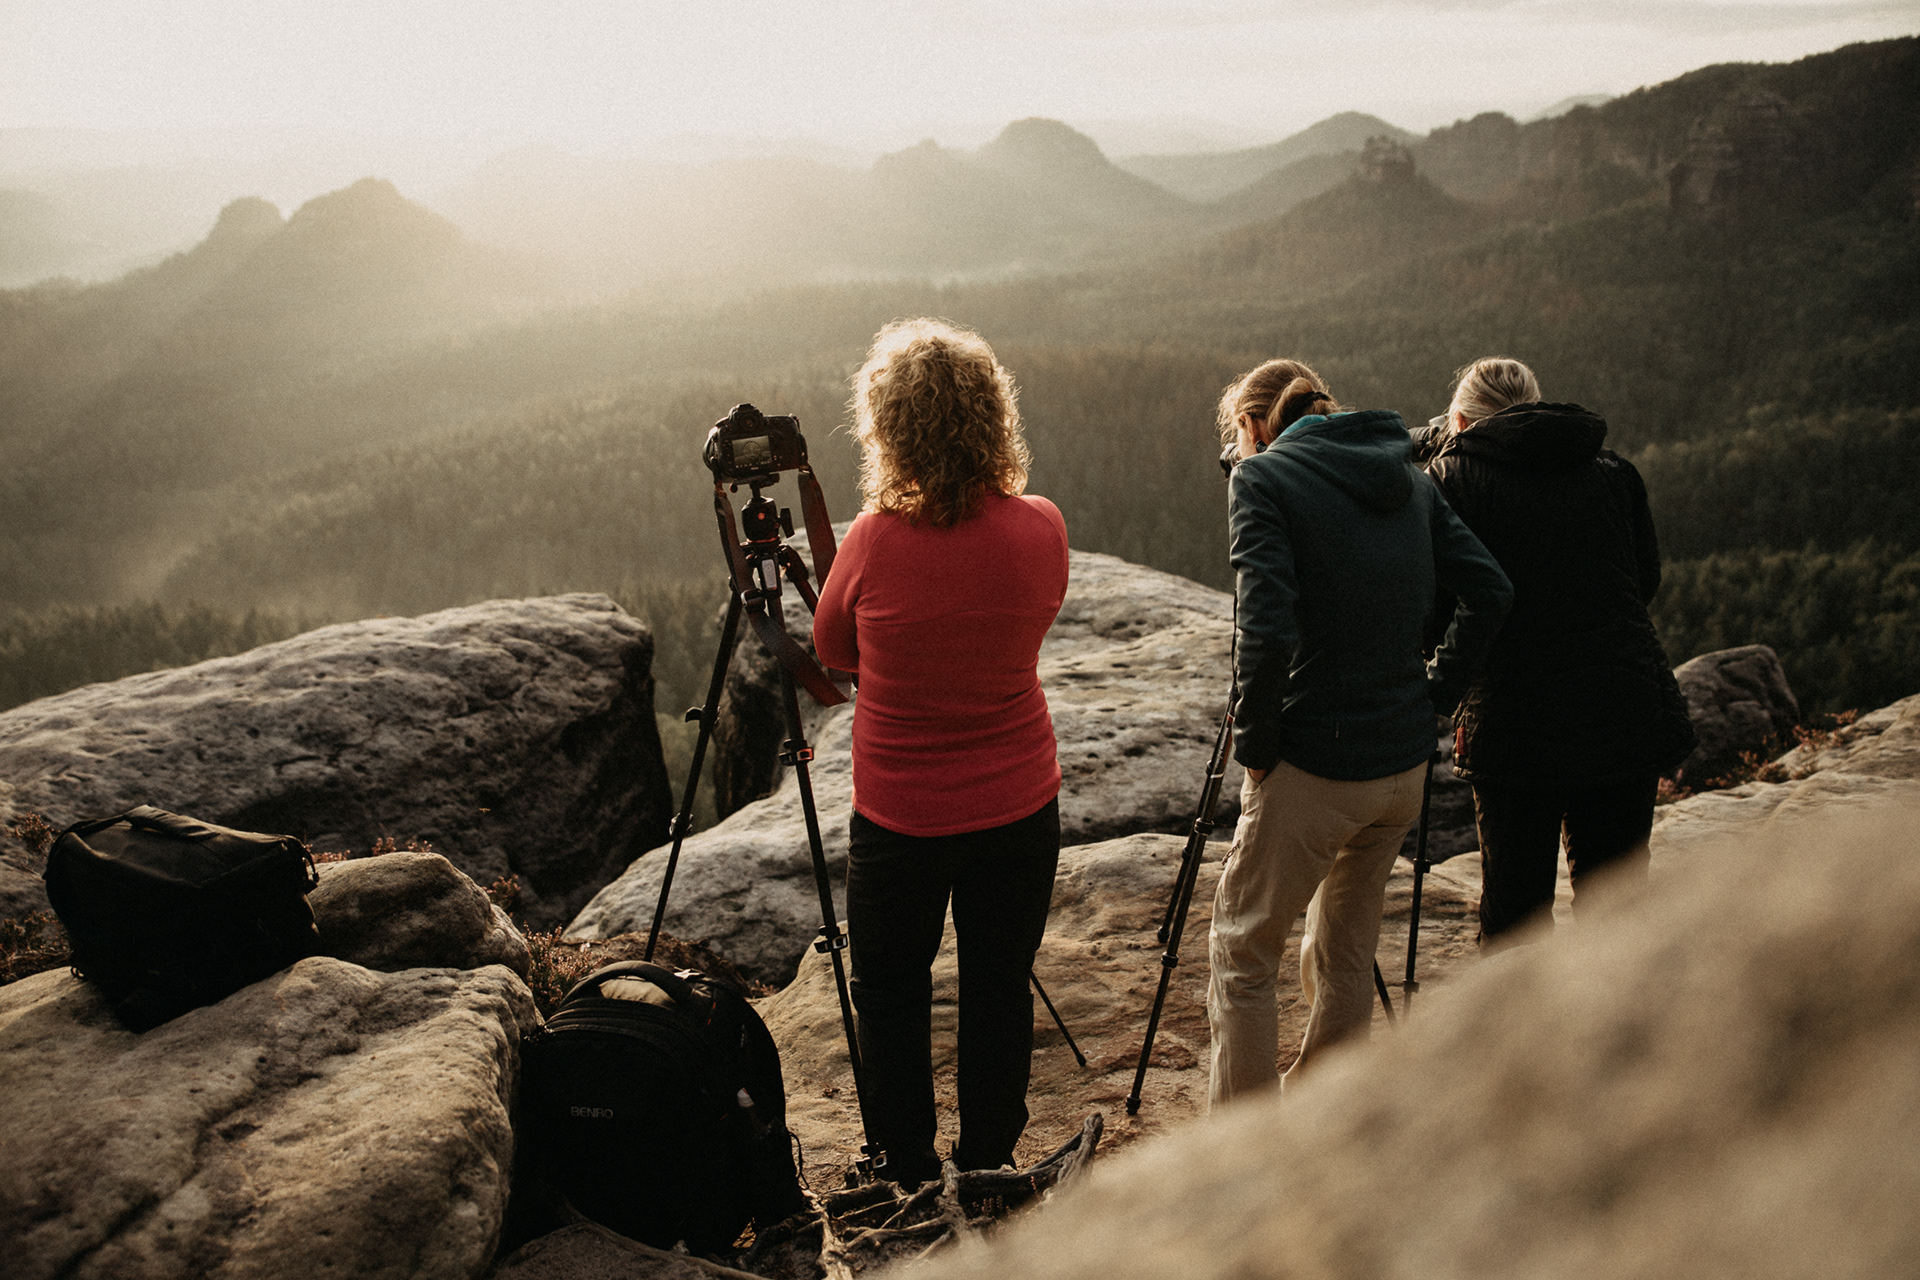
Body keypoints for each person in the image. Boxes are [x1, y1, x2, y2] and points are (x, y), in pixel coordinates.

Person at [1209, 358, 1511, 1108]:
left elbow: (1268, 629)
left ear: (1253, 426)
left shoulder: (1263, 480)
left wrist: (1256, 745)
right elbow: (1490, 590)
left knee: (1245, 952)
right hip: (1400, 766)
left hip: (1315, 760)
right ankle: (1327, 1116)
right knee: (1346, 951)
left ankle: (1243, 1149)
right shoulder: (1408, 476)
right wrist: (1432, 695)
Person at [813, 318, 1069, 1183]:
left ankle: (904, 1165)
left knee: (891, 992)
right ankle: (990, 1160)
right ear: (993, 417)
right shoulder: (1042, 527)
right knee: (998, 984)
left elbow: (833, 651)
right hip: (1019, 801)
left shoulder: (873, 541)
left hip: (899, 814)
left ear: (887, 428)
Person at [1422, 357, 1696, 944]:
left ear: (1462, 421)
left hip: (1516, 722)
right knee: (1617, 908)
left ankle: (1525, 1036)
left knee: (1516, 917)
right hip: (1625, 706)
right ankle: (1623, 1031)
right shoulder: (1614, 472)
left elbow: (1436, 608)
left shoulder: (1452, 478)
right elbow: (1642, 582)